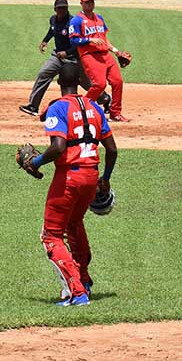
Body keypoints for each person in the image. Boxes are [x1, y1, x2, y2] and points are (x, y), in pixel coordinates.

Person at [27, 61, 117, 306]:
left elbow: (58, 147)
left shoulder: (58, 109)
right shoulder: (95, 108)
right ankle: (84, 279)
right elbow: (111, 149)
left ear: (58, 83)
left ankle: (77, 292)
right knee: (74, 224)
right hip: (91, 176)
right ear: (79, 82)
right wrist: (105, 179)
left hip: (68, 177)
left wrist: (36, 162)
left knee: (51, 236)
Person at [19, 0, 110, 117]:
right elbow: (52, 30)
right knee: (44, 73)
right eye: (59, 9)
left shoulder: (72, 22)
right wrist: (45, 41)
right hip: (57, 56)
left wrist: (67, 53)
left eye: (64, 8)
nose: (62, 11)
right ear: (55, 9)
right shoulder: (53, 20)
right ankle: (33, 106)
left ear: (67, 9)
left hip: (74, 58)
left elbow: (77, 42)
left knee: (86, 83)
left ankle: (105, 99)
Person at [69, 0, 129, 122]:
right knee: (100, 84)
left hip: (105, 55)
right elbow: (73, 41)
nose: (90, 5)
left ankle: (115, 113)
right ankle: (82, 109)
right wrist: (89, 40)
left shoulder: (99, 18)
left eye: (91, 2)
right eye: (87, 2)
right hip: (89, 55)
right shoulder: (77, 20)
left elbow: (103, 39)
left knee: (117, 81)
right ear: (81, 4)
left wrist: (116, 51)